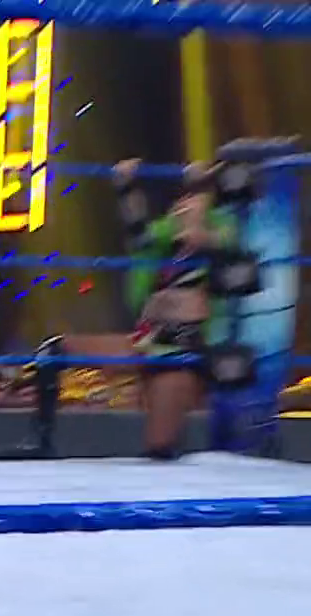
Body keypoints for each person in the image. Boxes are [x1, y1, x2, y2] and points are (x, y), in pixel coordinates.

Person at [114, 158, 235, 459]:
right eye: (182, 199)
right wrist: (127, 187)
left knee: (165, 440)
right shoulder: (166, 234)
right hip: (150, 334)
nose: (183, 206)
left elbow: (201, 240)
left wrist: (197, 208)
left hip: (187, 340)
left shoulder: (223, 228)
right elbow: (140, 235)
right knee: (56, 349)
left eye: (194, 197)